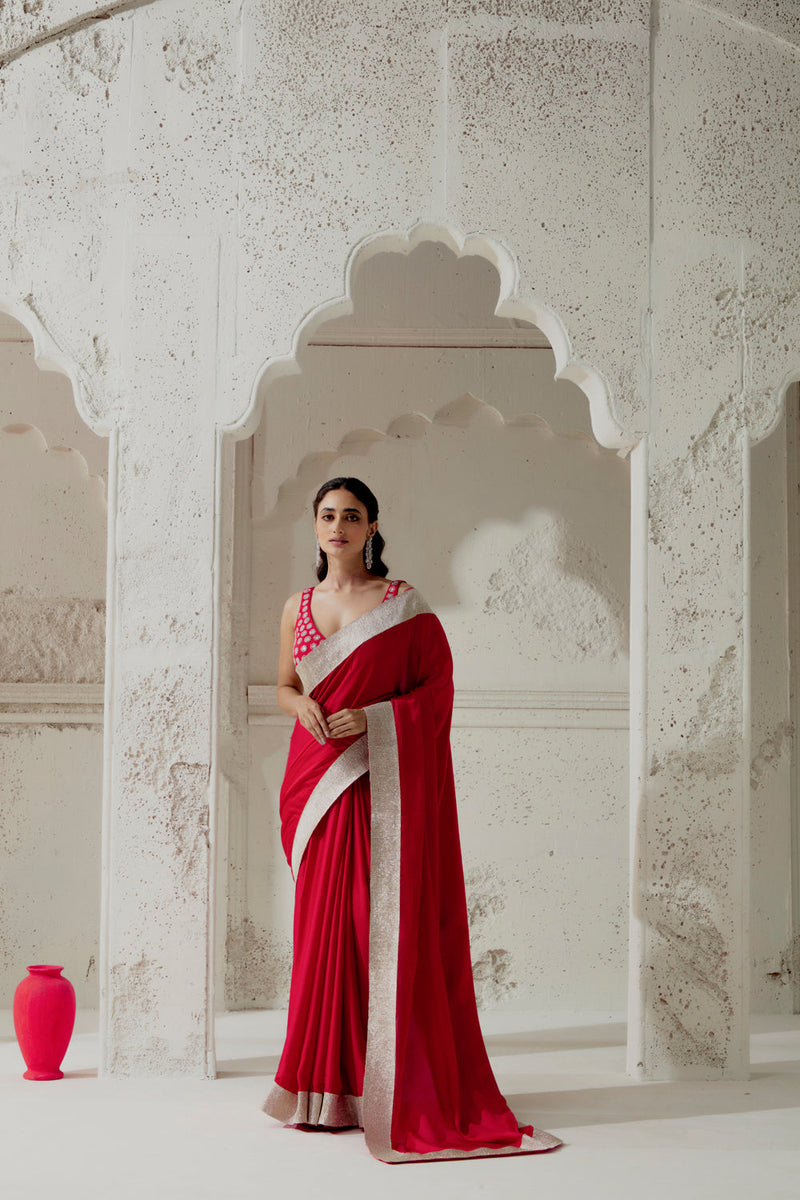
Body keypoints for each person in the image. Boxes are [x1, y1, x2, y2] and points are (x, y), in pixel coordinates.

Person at [262, 476, 561, 1163]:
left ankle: (383, 1086)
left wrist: (372, 717)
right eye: (328, 515)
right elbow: (284, 682)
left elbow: (437, 689)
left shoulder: (402, 605)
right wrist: (297, 706)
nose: (338, 525)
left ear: (372, 529)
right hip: (315, 785)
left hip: (380, 784)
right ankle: (321, 1090)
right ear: (314, 527)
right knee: (323, 935)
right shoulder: (296, 606)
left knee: (375, 928)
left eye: (352, 516)